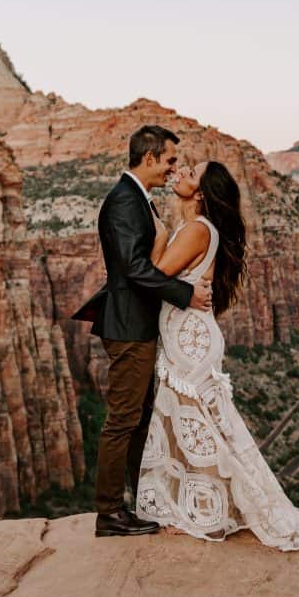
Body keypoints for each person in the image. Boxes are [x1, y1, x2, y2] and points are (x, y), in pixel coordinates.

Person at [134, 159, 299, 580]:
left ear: (202, 192)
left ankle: (200, 512)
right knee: (194, 421)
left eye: (191, 172)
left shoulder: (196, 230)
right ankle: (200, 506)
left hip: (190, 340)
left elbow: (151, 277)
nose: (181, 171)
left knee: (190, 420)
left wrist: (161, 239)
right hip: (188, 334)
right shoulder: (201, 229)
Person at [71, 125, 213, 538]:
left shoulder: (138, 199)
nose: (173, 168)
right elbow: (134, 271)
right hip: (129, 327)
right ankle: (109, 514)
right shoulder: (123, 202)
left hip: (139, 325)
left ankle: (141, 501)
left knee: (139, 419)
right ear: (149, 158)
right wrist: (185, 293)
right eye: (169, 160)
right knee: (123, 421)